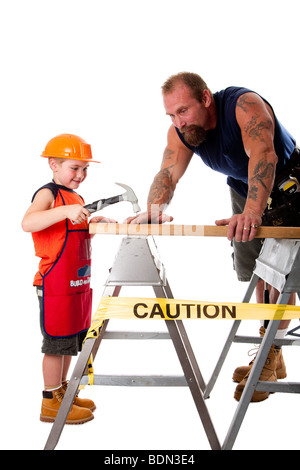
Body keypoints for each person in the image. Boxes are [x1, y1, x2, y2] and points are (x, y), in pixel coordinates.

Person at [126, 72, 299, 402]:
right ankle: (271, 354)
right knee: (260, 274)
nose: (179, 121)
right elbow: (168, 173)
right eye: (172, 115)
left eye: (184, 110)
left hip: (288, 182)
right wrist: (154, 207)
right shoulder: (184, 132)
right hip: (243, 188)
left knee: (281, 273)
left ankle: (269, 352)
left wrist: (252, 212)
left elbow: (265, 156)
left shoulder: (244, 106)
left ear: (206, 98)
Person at [22, 133, 117, 423]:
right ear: (53, 164)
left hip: (77, 284)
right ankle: (51, 400)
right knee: (55, 344)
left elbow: (71, 233)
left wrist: (93, 223)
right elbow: (28, 222)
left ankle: (63, 391)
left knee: (68, 343)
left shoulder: (77, 198)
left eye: (85, 169)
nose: (81, 174)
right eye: (74, 168)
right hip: (55, 286)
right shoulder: (49, 194)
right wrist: (65, 210)